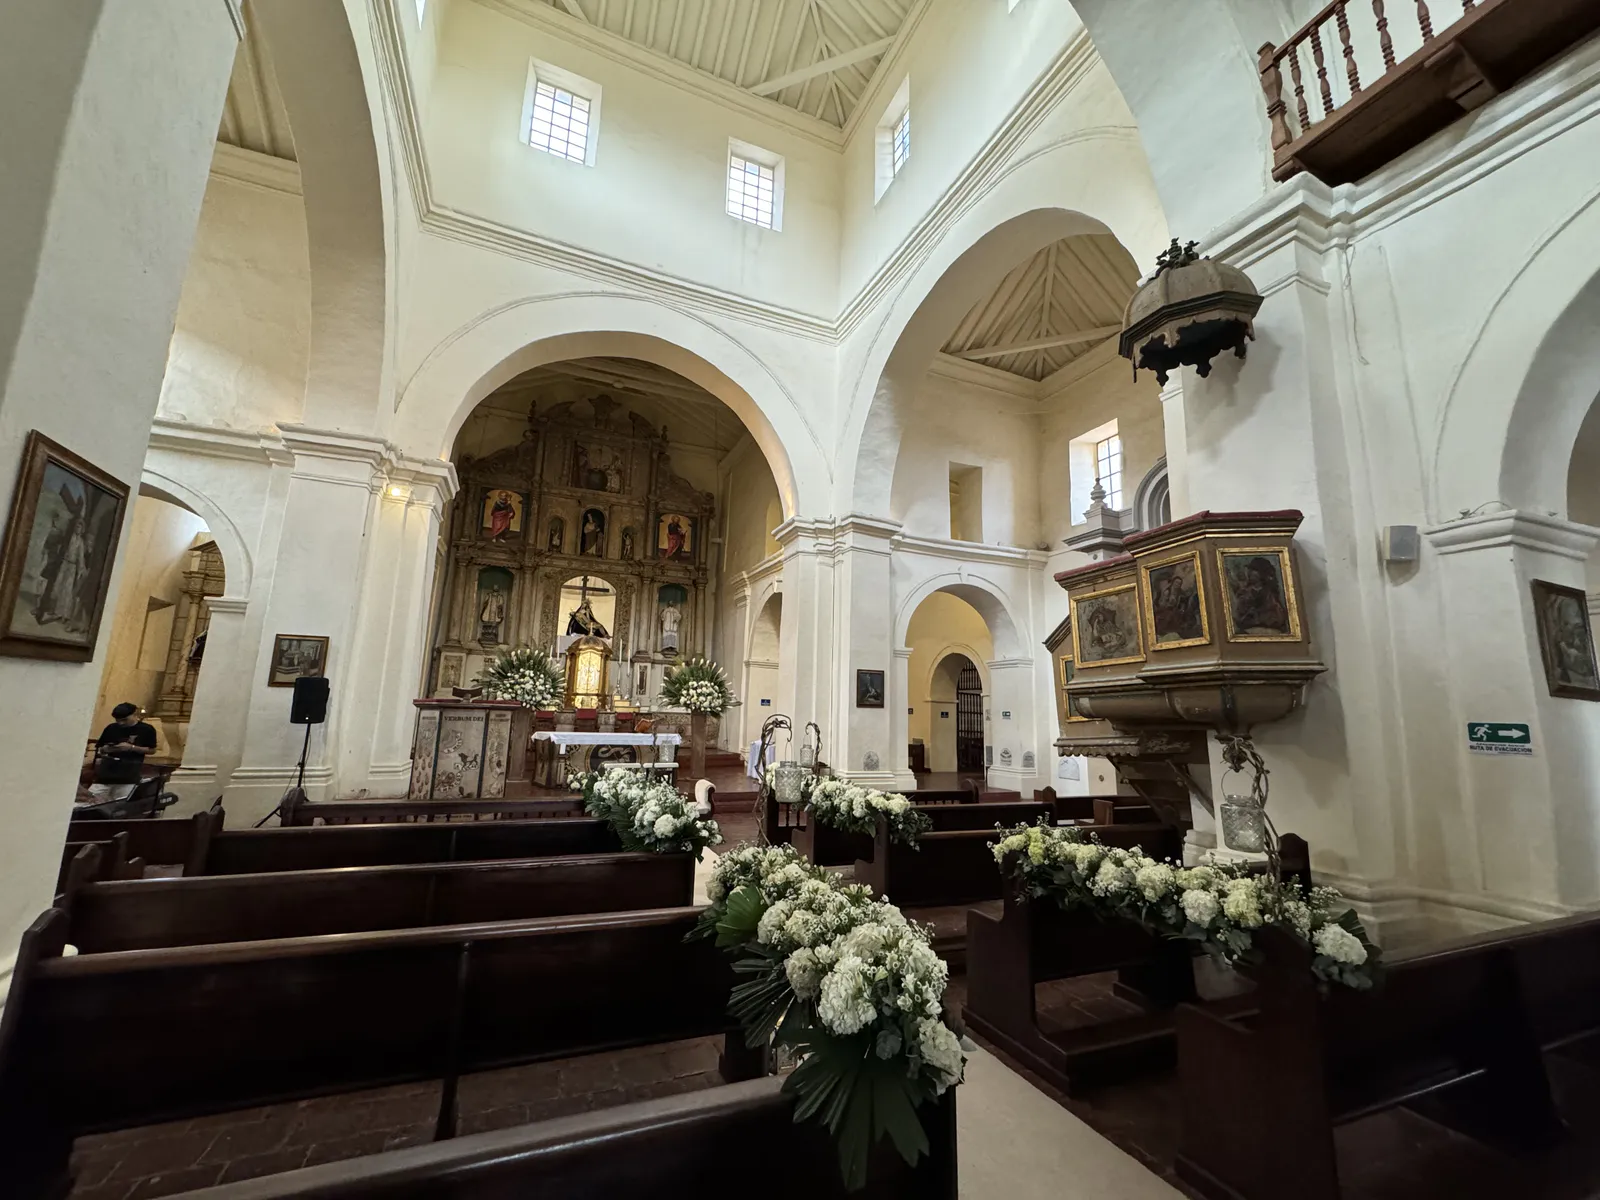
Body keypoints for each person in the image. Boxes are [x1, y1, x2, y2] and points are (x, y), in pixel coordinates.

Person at [85, 702, 158, 803]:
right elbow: (100, 748)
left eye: (124, 720)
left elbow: (152, 750)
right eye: (117, 720)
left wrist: (131, 747)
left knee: (121, 805)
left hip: (129, 775)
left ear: (134, 714)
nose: (121, 723)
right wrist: (107, 749)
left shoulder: (146, 729)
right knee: (89, 802)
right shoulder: (111, 728)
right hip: (106, 775)